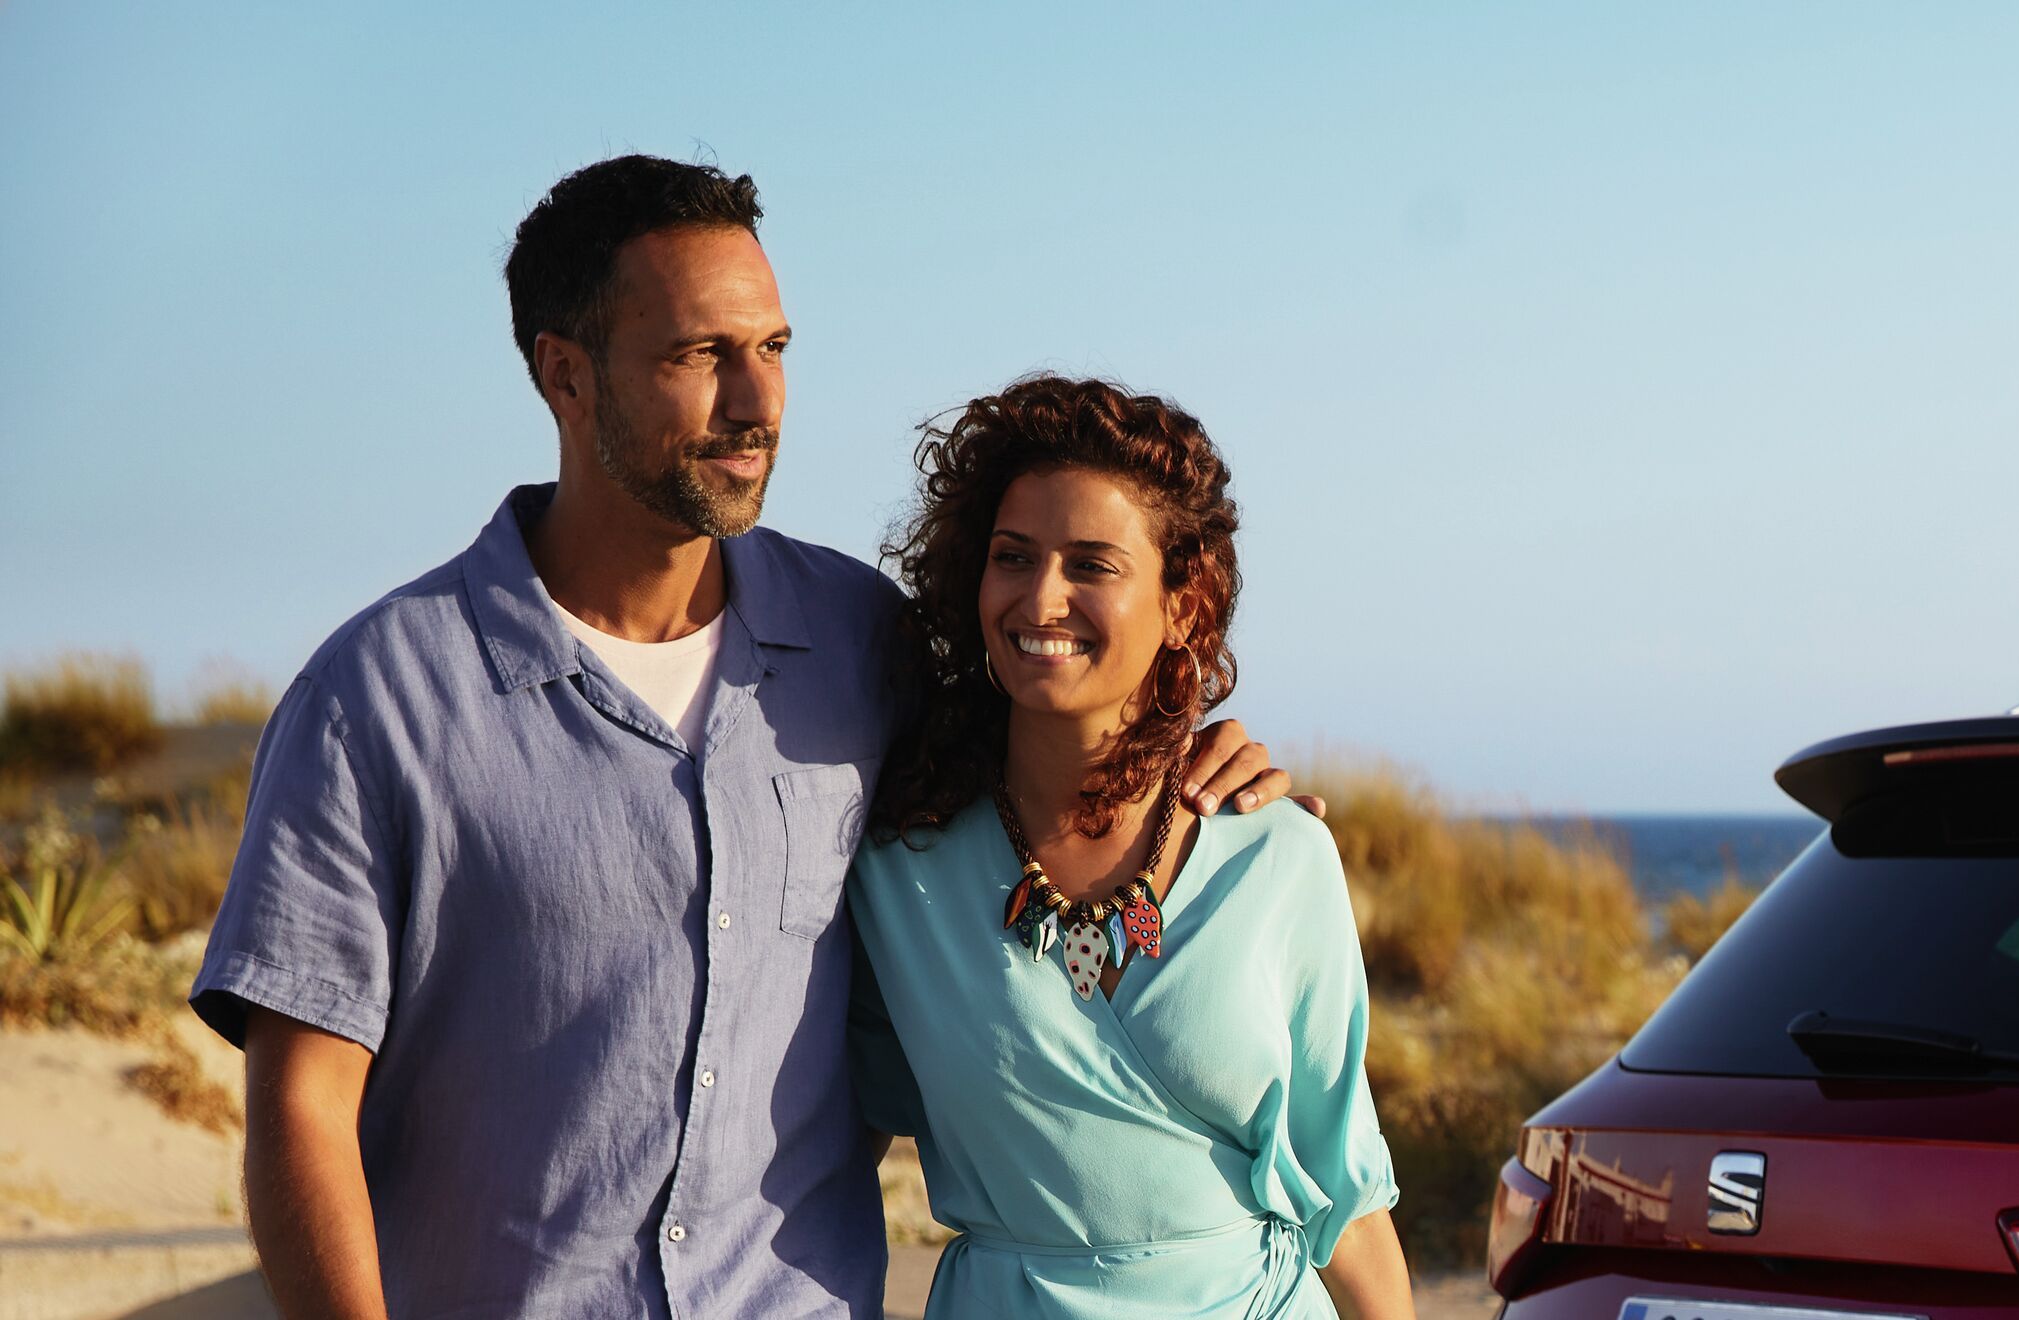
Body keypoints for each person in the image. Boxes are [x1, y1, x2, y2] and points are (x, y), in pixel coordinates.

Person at [189, 155, 1296, 1320]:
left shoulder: (864, 646)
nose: (756, 403)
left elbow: (1058, 769)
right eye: (698, 356)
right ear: (564, 375)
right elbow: (301, 1109)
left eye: (771, 349)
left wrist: (1197, 765)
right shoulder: (379, 700)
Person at [848, 376, 1413, 1319]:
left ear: (1183, 605)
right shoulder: (898, 869)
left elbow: (1344, 1200)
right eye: (1012, 556)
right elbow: (826, 1158)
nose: (1041, 597)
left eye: (1092, 565)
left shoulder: (1278, 858)